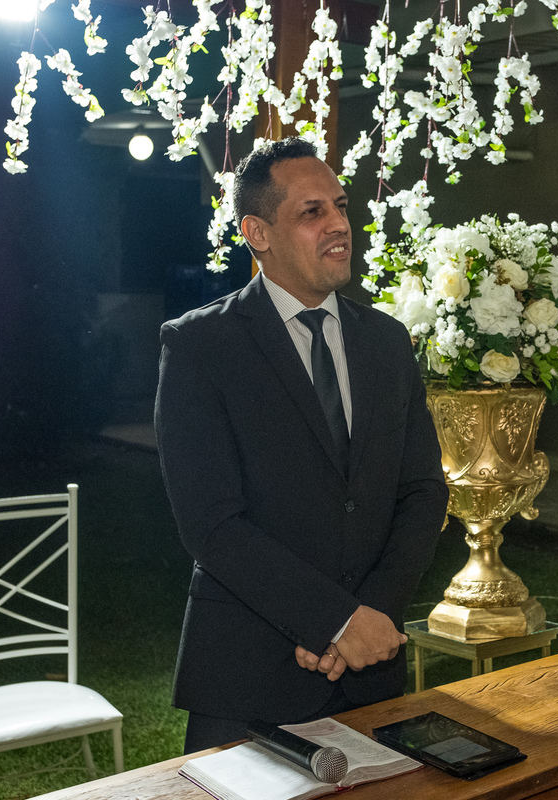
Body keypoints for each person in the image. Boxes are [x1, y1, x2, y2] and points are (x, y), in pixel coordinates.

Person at [154, 137, 449, 753]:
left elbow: (423, 491)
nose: (339, 224)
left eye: (340, 206)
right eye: (312, 212)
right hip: (246, 679)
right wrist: (333, 622)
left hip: (372, 673)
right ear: (257, 233)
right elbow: (211, 525)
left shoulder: (387, 341)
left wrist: (370, 618)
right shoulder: (200, 347)